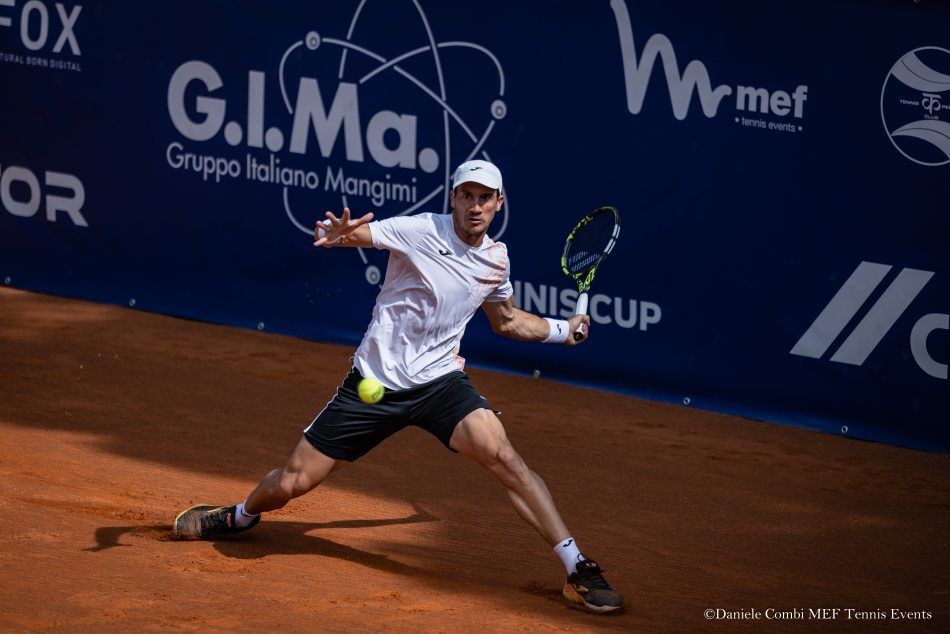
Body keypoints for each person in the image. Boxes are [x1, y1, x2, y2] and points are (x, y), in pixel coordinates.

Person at [174, 160, 624, 613]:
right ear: (453, 198)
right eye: (465, 195)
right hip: (375, 382)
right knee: (292, 483)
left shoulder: (496, 259)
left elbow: (506, 321)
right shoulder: (420, 231)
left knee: (505, 457)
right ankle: (239, 515)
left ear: (498, 204)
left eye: (484, 197)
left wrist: (563, 331)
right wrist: (341, 234)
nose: (474, 206)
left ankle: (576, 566)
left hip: (440, 384)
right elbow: (360, 236)